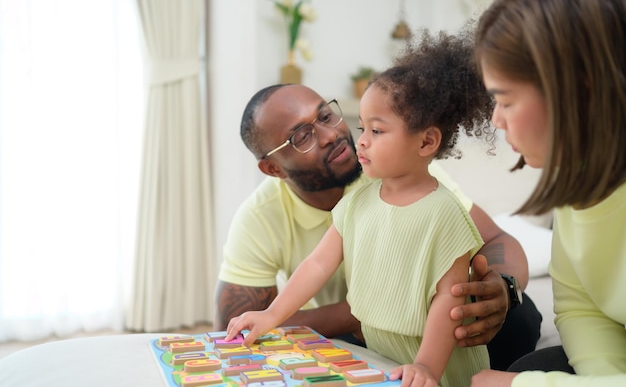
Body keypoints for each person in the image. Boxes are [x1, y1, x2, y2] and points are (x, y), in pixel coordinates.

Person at [215, 58, 542, 371]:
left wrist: (503, 287)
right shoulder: (261, 216)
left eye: (327, 117)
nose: (331, 135)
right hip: (354, 334)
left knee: (520, 318)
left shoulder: (408, 177)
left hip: (431, 325)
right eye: (302, 136)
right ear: (272, 168)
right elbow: (237, 325)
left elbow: (491, 245)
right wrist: (353, 316)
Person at [469, 0, 626, 386]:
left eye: (505, 100)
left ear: (580, 89)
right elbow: (580, 305)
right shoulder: (579, 179)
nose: (495, 119)